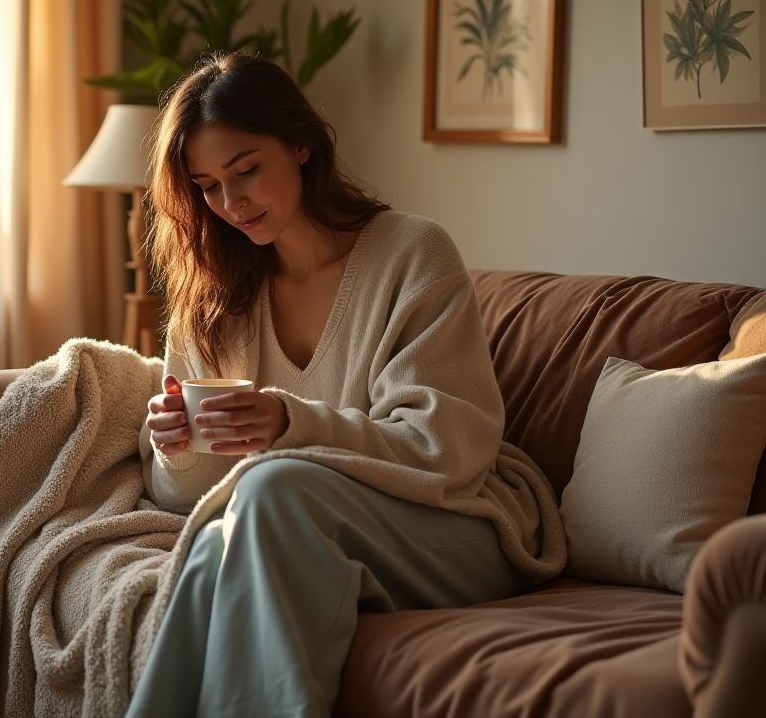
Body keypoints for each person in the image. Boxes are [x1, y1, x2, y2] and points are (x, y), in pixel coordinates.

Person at [128, 51, 564, 717]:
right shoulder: (215, 298)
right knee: (214, 543)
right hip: (295, 522)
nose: (231, 203)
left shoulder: (412, 254)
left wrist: (290, 425)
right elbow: (187, 500)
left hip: (454, 524)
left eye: (247, 170)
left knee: (271, 487)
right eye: (208, 186)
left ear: (301, 144)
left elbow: (442, 449)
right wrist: (177, 449)